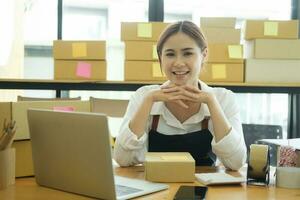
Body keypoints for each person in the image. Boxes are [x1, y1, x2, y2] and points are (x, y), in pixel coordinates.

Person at [114, 21, 247, 170]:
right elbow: (122, 159)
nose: (178, 63)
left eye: (187, 53)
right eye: (170, 54)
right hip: (155, 188)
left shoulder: (223, 99)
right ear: (160, 57)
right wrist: (149, 101)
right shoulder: (144, 96)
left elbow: (236, 163)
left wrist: (211, 102)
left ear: (203, 55)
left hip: (205, 191)